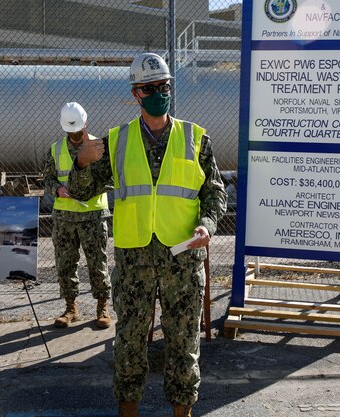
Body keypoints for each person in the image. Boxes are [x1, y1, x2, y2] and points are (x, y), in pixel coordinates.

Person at [68, 53, 227, 417]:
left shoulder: (196, 138)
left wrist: (209, 223)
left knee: (184, 344)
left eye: (165, 87)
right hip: (134, 261)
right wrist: (81, 162)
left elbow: (215, 191)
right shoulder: (116, 141)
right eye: (151, 88)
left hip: (183, 260)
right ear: (136, 93)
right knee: (129, 344)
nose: (160, 93)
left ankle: (182, 413)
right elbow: (80, 192)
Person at [42, 102, 112, 329]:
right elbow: (49, 177)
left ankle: (102, 307)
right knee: (65, 263)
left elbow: (109, 180)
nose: (74, 135)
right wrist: (58, 190)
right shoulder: (55, 149)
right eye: (70, 131)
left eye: (77, 130)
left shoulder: (98, 147)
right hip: (64, 216)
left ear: (85, 124)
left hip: (92, 215)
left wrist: (89, 191)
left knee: (97, 262)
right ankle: (70, 307)